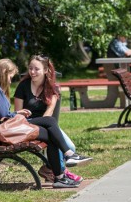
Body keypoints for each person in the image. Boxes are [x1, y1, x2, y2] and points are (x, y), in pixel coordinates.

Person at [0, 59, 84, 188]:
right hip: (7, 130)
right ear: (3, 72)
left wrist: (17, 114)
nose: (9, 81)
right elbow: (4, 116)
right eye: (10, 76)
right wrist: (18, 114)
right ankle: (66, 163)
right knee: (50, 122)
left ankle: (62, 172)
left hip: (7, 128)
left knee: (50, 129)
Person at [14, 55, 92, 183]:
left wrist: (45, 126)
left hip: (44, 124)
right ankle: (67, 163)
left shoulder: (52, 88)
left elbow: (48, 113)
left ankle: (55, 172)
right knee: (53, 127)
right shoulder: (23, 86)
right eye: (30, 68)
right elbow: (18, 114)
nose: (32, 72)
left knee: (69, 145)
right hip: (26, 124)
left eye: (36, 69)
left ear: (45, 70)